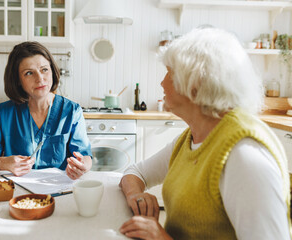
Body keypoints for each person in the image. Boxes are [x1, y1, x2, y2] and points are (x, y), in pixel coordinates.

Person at [119, 28, 291, 240]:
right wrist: (136, 194)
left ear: (196, 82)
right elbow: (135, 172)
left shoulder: (243, 154)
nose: (162, 83)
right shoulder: (191, 138)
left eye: (170, 73)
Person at [0, 41, 92, 179]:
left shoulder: (71, 111)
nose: (40, 79)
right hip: (18, 192)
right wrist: (4, 162)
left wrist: (83, 165)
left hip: (60, 189)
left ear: (52, 71)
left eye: (44, 69)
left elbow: (85, 157)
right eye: (29, 73)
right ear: (17, 81)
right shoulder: (5, 113)